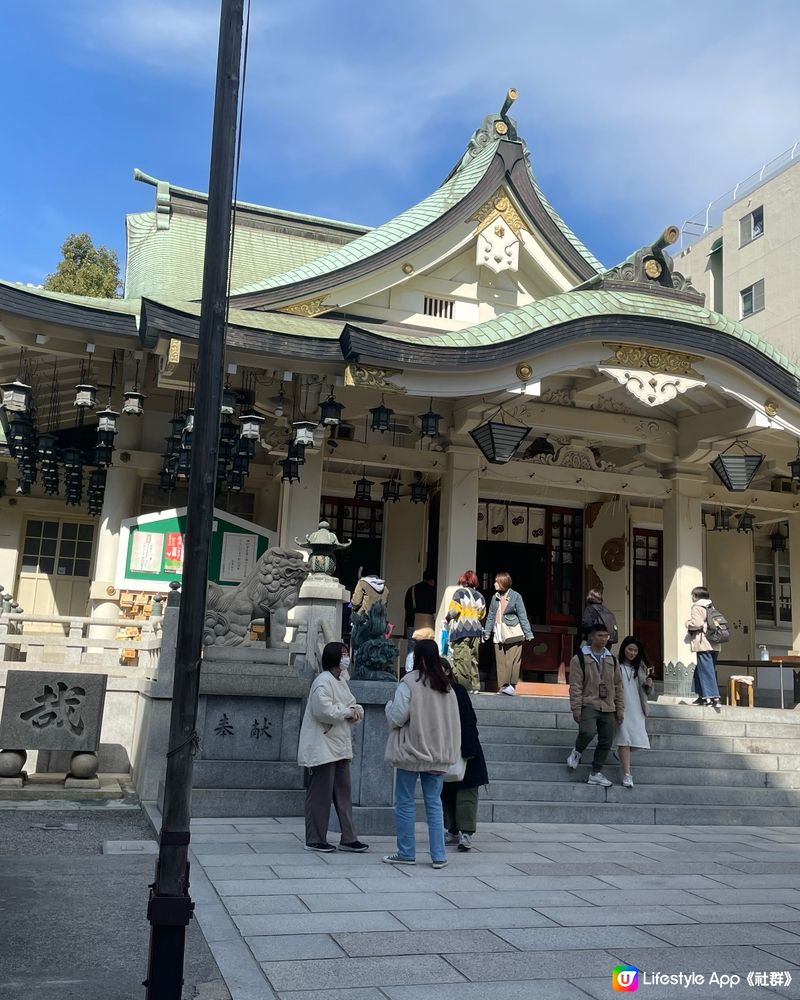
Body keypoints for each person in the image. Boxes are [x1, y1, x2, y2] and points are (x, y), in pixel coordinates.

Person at [383, 638, 460, 869]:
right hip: (437, 752)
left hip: (412, 751)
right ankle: (439, 855)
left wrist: (388, 707)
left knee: (405, 802)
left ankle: (406, 852)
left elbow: (397, 717)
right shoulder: (446, 686)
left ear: (417, 657)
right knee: (434, 804)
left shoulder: (409, 682)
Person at [297, 642, 369, 853]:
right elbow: (323, 710)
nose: (347, 657)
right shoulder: (323, 681)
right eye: (344, 654)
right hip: (323, 747)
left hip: (339, 746)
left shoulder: (341, 681)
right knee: (320, 795)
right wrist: (348, 711)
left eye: (347, 653)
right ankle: (315, 838)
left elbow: (354, 705)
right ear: (334, 657)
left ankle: (348, 837)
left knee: (343, 794)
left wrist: (353, 711)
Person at [566, 623, 624, 786]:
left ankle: (596, 772)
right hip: (589, 702)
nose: (604, 639)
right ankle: (577, 750)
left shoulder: (612, 659)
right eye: (600, 635)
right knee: (587, 732)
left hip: (608, 705)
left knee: (606, 740)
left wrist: (620, 708)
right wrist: (576, 708)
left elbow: (618, 685)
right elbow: (575, 685)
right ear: (591, 636)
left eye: (606, 636)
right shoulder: (579, 658)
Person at [440, 658, 489, 851]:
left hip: (464, 747)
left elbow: (468, 720)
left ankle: (466, 832)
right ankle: (452, 828)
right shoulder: (432, 692)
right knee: (446, 792)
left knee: (466, 791)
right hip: (443, 748)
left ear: (446, 671)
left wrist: (468, 748)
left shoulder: (457, 691)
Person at [483, 572, 534, 695]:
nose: (494, 584)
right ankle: (503, 686)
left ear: (503, 583)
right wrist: (487, 632)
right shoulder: (494, 597)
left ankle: (511, 685)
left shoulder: (516, 596)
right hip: (499, 632)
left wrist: (528, 633)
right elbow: (490, 616)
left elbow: (522, 615)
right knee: (500, 661)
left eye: (497, 581)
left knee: (512, 660)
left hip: (512, 632)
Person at [614, 636, 654, 788]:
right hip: (622, 706)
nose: (632, 653)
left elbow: (647, 691)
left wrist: (649, 684)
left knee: (639, 742)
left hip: (638, 707)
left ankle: (621, 753)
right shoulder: (615, 664)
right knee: (624, 739)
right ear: (624, 648)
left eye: (635, 650)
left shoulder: (641, 667)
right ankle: (627, 775)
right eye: (630, 649)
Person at [445, 570, 486, 694]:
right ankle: (475, 686)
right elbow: (482, 614)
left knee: (461, 660)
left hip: (462, 631)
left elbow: (454, 611)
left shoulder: (460, 593)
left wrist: (446, 619)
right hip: (476, 631)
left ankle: (464, 688)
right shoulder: (480, 596)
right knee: (473, 659)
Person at [686, 585, 721, 707]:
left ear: (695, 596)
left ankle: (713, 697)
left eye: (692, 595)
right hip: (715, 644)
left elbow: (697, 623)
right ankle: (701, 696)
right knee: (701, 669)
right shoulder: (711, 606)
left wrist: (687, 624)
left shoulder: (697, 607)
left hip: (704, 643)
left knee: (706, 670)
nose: (691, 597)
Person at [404, 569, 437, 637]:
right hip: (428, 626)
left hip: (412, 624)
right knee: (426, 647)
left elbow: (406, 608)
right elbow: (435, 609)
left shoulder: (411, 589)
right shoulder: (433, 591)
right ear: (433, 580)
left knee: (412, 646)